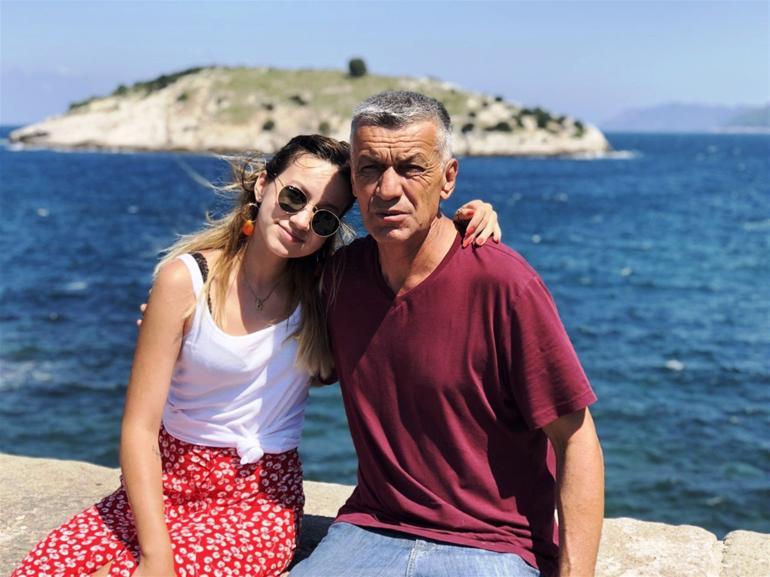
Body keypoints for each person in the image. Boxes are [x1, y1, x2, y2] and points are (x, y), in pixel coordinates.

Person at [11, 132, 501, 577]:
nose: (302, 220)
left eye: (324, 217)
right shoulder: (185, 281)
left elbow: (410, 260)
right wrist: (156, 556)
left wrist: (468, 217)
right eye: (294, 197)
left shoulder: (327, 289)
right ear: (263, 185)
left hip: (258, 501)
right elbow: (139, 429)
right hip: (165, 481)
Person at [289, 92, 605, 577]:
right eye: (370, 169)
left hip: (493, 545)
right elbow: (258, 300)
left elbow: (576, 439)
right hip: (370, 530)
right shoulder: (338, 280)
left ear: (448, 178)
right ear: (352, 179)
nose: (387, 189)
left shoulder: (504, 283)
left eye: (411, 168)